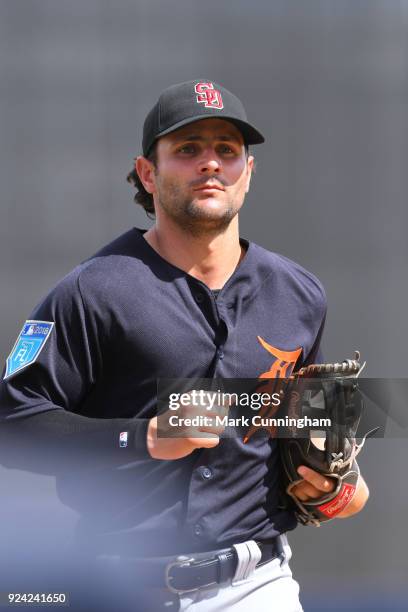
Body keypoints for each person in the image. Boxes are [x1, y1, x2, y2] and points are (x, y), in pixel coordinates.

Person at [0, 79, 369, 611]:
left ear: (248, 172)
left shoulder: (298, 294)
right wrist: (142, 437)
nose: (211, 164)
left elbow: (305, 429)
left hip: (258, 583)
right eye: (188, 149)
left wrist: (332, 486)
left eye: (227, 150)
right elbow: (13, 421)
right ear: (148, 173)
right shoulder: (92, 291)